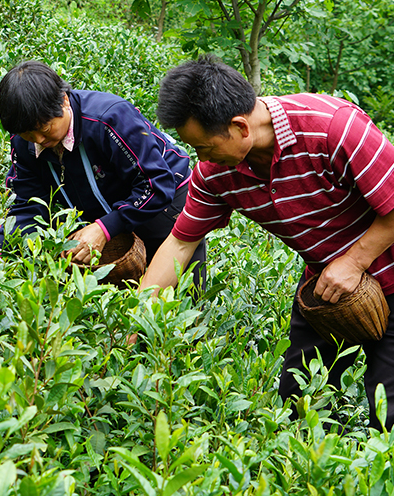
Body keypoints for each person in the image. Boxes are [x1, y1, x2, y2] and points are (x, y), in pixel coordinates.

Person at [144, 54, 394, 429]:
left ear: (240, 126)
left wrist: (353, 262)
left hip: (381, 274)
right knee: (297, 402)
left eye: (205, 147)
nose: (201, 158)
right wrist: (136, 318)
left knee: (386, 418)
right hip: (325, 290)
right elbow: (180, 244)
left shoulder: (334, 129)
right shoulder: (215, 174)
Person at [0, 60, 206, 280]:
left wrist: (105, 228)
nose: (38, 140)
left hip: (164, 203)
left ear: (64, 101)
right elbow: (28, 204)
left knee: (180, 292)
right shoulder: (24, 141)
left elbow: (157, 185)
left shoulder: (109, 119)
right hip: (105, 210)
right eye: (28, 135)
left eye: (45, 129)